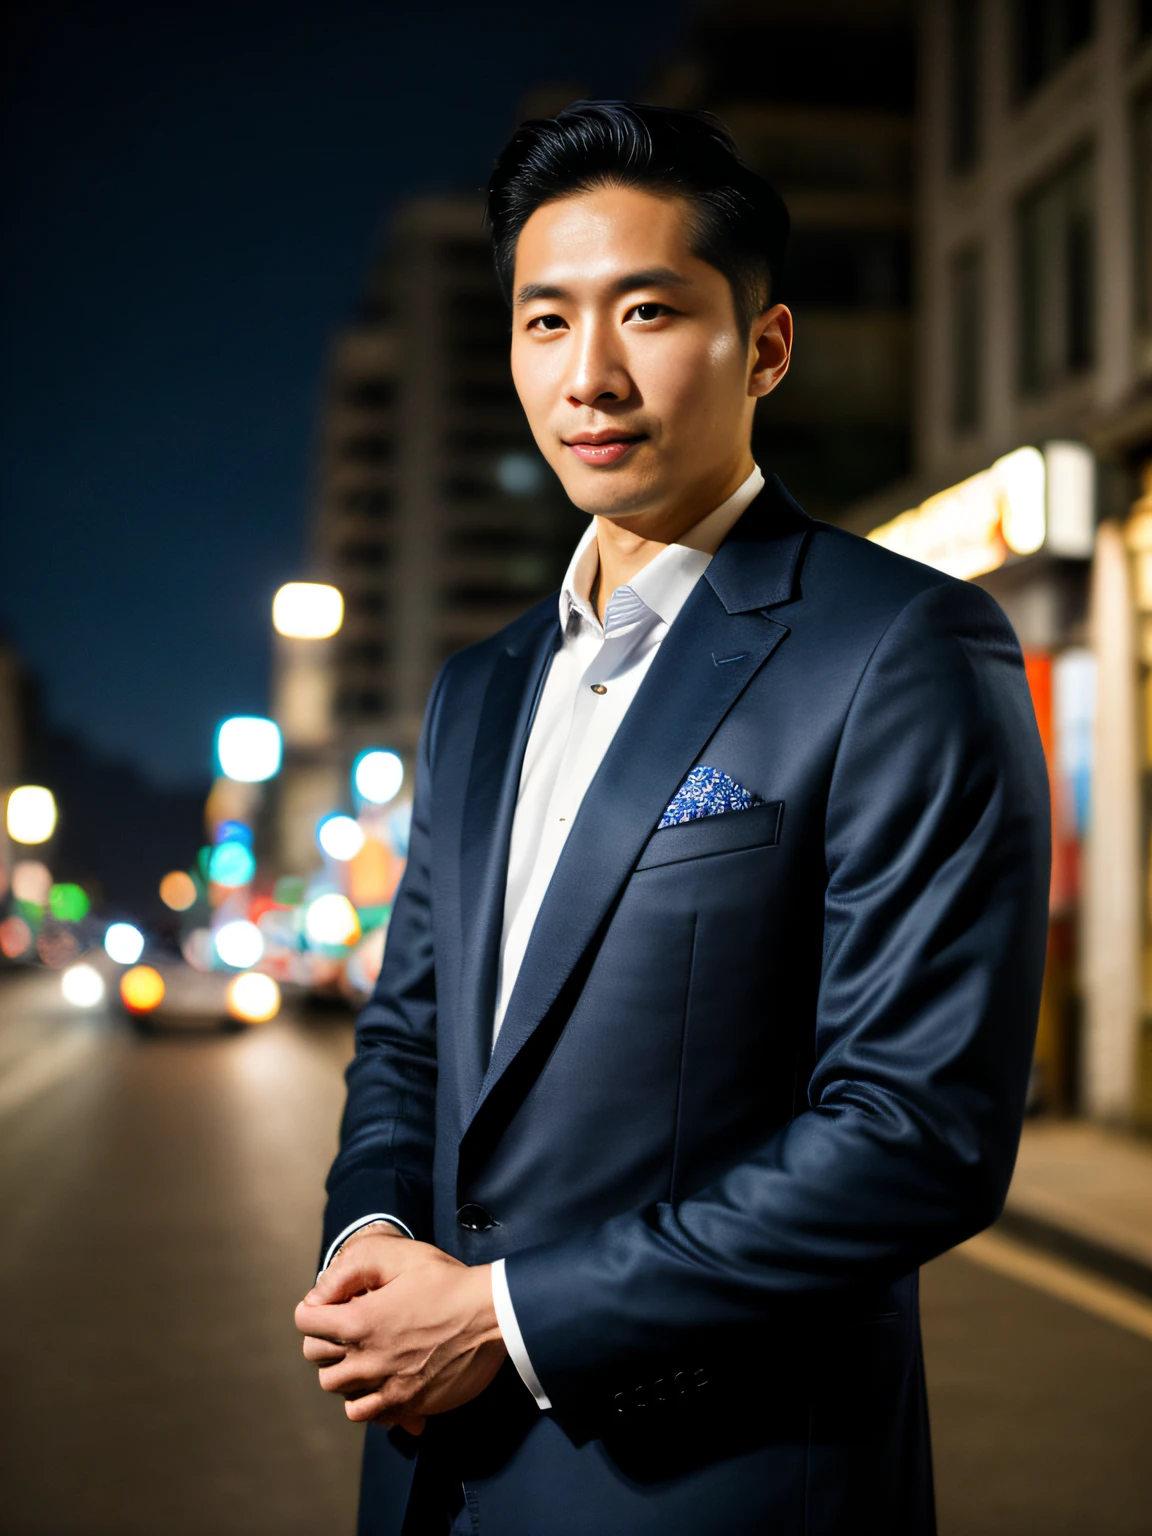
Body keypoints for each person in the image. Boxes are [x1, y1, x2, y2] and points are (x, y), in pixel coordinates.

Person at [295, 101, 1050, 1535]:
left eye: (647, 313)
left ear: (763, 347)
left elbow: (916, 1131)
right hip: (431, 1483)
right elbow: (408, 1034)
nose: (590, 375)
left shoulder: (899, 648)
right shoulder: (480, 687)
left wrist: (505, 1320)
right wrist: (372, 1237)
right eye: (542, 323)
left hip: (719, 1488)